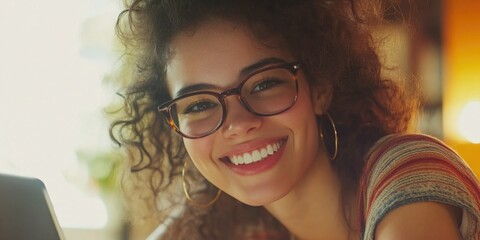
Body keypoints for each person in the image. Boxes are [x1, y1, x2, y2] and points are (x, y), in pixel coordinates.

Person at [110, 0, 480, 239]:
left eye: (265, 83)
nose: (237, 123)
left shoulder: (409, 172)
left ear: (319, 87)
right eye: (198, 105)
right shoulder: (227, 219)